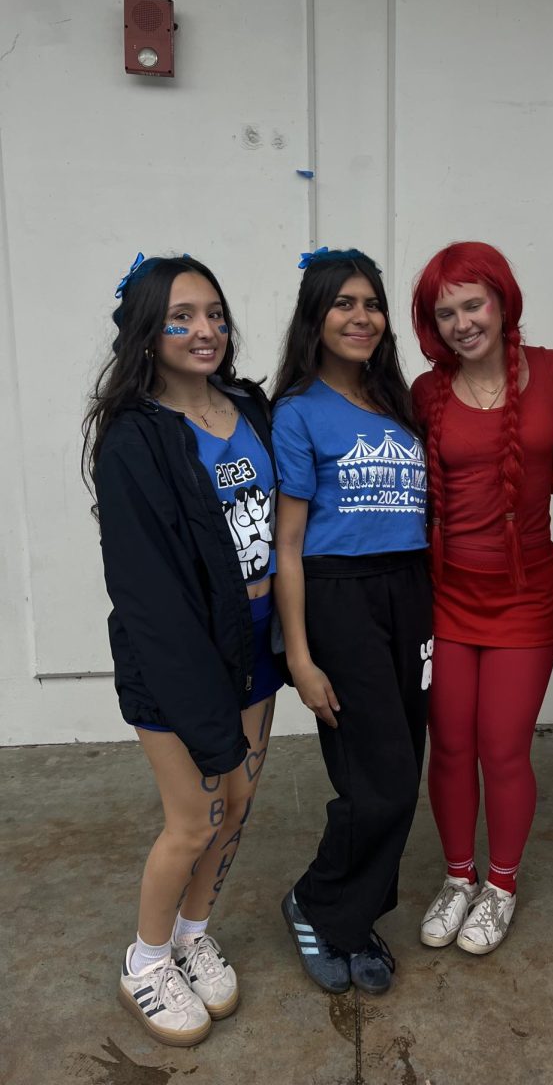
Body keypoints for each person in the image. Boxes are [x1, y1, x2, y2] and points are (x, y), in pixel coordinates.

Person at [83, 253, 283, 1048]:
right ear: (147, 332)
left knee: (238, 805)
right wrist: (202, 707)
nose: (204, 331)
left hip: (255, 651)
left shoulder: (249, 406)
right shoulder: (135, 438)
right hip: (177, 660)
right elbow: (149, 592)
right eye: (181, 318)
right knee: (193, 819)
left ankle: (193, 933)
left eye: (214, 315)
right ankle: (146, 957)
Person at [410, 241, 553, 955]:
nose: (461, 322)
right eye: (444, 312)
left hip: (525, 595)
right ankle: (457, 877)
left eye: (472, 303)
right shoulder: (426, 392)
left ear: (502, 299)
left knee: (502, 748)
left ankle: (500, 885)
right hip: (445, 595)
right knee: (448, 746)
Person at [272, 247, 431, 996]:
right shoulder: (299, 411)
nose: (360, 316)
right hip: (340, 598)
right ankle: (315, 901)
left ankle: (352, 916)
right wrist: (299, 657)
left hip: (411, 591)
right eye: (343, 303)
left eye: (371, 303)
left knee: (401, 766)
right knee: (382, 781)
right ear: (316, 316)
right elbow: (290, 546)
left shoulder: (396, 404)